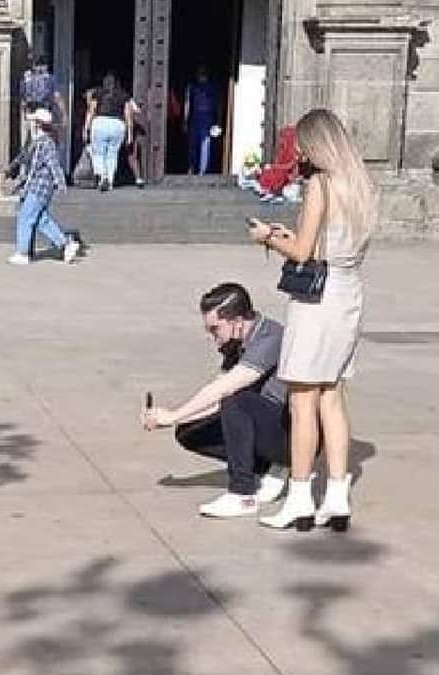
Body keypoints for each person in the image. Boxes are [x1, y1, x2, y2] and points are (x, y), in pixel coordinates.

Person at [248, 108, 376, 532]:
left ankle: (300, 496)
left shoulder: (320, 184)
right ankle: (337, 497)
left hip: (316, 299)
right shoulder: (361, 185)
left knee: (302, 399)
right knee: (332, 396)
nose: (298, 151)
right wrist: (293, 237)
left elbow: (303, 253)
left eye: (302, 143)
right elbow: (327, 247)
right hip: (348, 290)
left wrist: (269, 237)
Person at [142, 283, 290, 517]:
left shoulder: (270, 337)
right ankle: (264, 467)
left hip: (291, 432)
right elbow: (214, 399)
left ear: (238, 321)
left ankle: (242, 494)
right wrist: (175, 418)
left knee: (234, 400)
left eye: (215, 329)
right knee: (189, 431)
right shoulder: (236, 342)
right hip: (264, 423)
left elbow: (224, 389)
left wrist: (173, 415)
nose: (213, 337)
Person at [8, 108, 80, 266]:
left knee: (26, 217)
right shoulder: (38, 141)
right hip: (36, 186)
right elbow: (25, 157)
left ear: (38, 124)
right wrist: (13, 167)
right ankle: (66, 244)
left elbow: (53, 164)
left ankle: (23, 253)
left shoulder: (45, 142)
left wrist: (60, 182)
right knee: (41, 219)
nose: (30, 124)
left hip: (39, 186)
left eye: (33, 121)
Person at [84, 73, 127, 192]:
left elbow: (91, 111)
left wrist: (86, 127)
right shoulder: (123, 95)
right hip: (117, 124)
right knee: (112, 154)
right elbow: (127, 114)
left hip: (100, 122)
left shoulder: (98, 93)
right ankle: (111, 181)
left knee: (98, 153)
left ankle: (102, 177)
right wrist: (129, 132)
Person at [184, 65, 220, 175]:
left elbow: (187, 103)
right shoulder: (195, 86)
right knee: (200, 145)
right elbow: (188, 104)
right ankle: (198, 169)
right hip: (200, 117)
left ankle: (197, 169)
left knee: (201, 144)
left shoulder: (193, 86)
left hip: (202, 118)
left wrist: (185, 120)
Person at [21, 55, 65, 145]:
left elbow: (23, 99)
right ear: (46, 66)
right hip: (44, 112)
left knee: (30, 144)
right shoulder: (49, 78)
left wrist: (24, 114)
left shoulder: (26, 79)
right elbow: (57, 97)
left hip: (29, 114)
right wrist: (64, 114)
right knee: (49, 141)